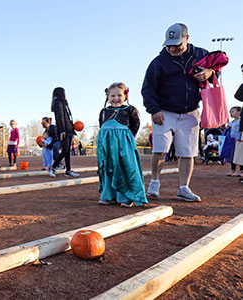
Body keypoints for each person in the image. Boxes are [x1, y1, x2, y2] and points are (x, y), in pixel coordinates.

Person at [142, 23, 215, 202]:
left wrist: (209, 72)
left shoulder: (200, 54)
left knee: (187, 152)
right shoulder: (158, 62)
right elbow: (148, 89)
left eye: (177, 44)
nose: (172, 48)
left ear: (187, 39)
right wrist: (154, 109)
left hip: (190, 111)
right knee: (160, 149)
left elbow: (217, 70)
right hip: (164, 111)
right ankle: (154, 184)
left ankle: (184, 187)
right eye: (169, 45)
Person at [97, 82, 147, 207]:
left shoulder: (129, 110)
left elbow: (135, 126)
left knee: (126, 167)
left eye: (119, 95)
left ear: (125, 96)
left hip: (124, 145)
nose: (116, 98)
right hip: (107, 145)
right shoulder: (104, 112)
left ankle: (126, 197)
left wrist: (126, 139)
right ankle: (108, 196)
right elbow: (101, 126)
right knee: (108, 167)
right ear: (107, 97)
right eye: (112, 95)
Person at [48, 87, 79, 178]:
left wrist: (72, 126)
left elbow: (68, 117)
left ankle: (68, 170)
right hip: (64, 130)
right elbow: (59, 117)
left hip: (69, 129)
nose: (65, 94)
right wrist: (62, 130)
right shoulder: (58, 103)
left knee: (67, 151)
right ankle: (53, 167)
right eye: (63, 92)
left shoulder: (64, 103)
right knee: (65, 150)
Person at [225, 107, 242, 176]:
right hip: (232, 142)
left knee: (240, 156)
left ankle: (241, 171)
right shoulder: (231, 123)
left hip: (240, 141)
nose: (231, 113)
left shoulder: (240, 121)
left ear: (239, 112)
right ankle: (233, 170)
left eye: (233, 111)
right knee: (233, 156)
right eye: (230, 112)